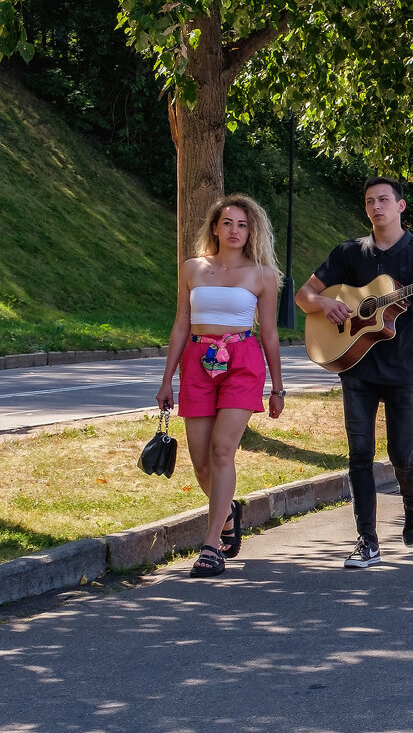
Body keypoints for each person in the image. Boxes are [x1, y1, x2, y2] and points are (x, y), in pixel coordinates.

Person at [296, 177, 413, 568]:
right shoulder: (349, 253)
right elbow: (304, 295)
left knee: (402, 453)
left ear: (400, 206)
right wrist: (323, 304)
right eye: (370, 201)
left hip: (407, 367)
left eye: (383, 199)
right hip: (357, 365)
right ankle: (367, 542)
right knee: (360, 455)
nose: (376, 206)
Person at [156, 194, 285, 578]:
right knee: (200, 462)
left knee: (222, 449)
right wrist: (167, 380)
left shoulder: (262, 275)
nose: (234, 231)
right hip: (197, 363)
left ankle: (211, 545)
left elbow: (270, 334)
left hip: (242, 362)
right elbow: (181, 324)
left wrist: (277, 387)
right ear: (215, 226)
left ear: (251, 232)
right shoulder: (193, 268)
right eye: (227, 223)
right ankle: (228, 511)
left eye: (242, 225)